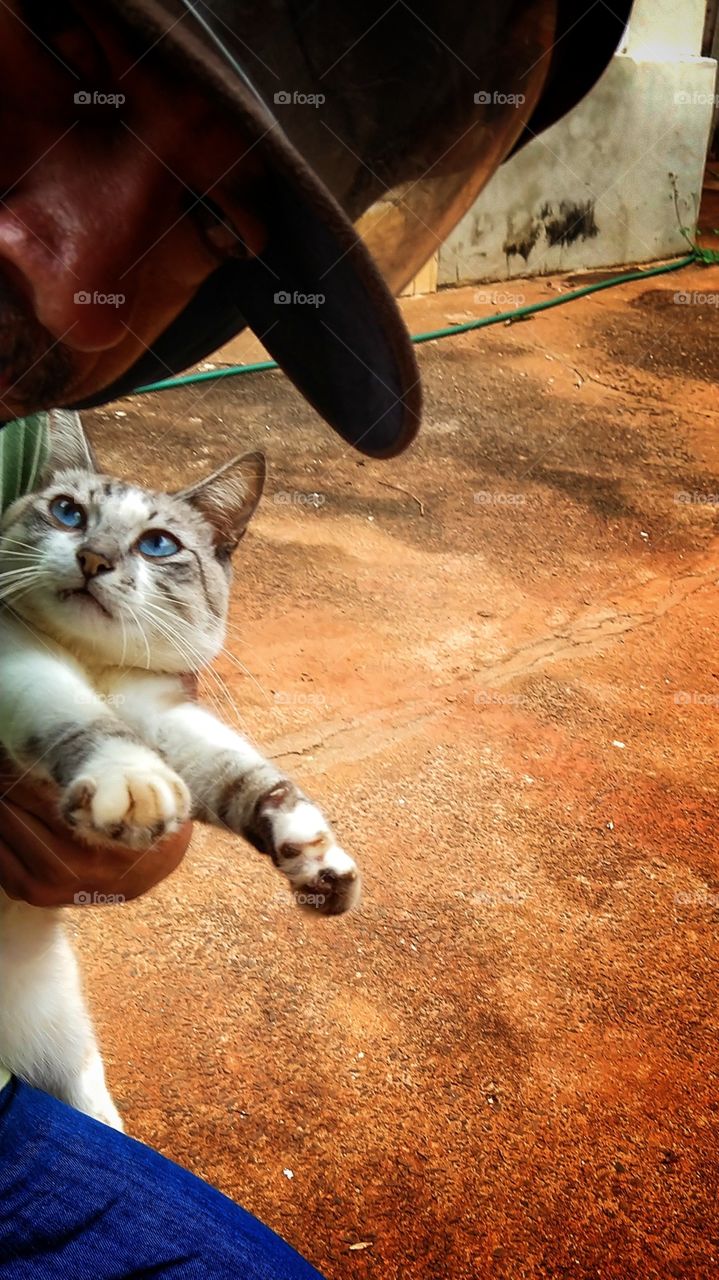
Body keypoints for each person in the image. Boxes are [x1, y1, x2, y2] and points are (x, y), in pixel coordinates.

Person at [0, 3, 631, 1276]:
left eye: (213, 219)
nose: (70, 292)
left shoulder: (20, 432)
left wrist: (126, 820)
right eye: (72, 61)